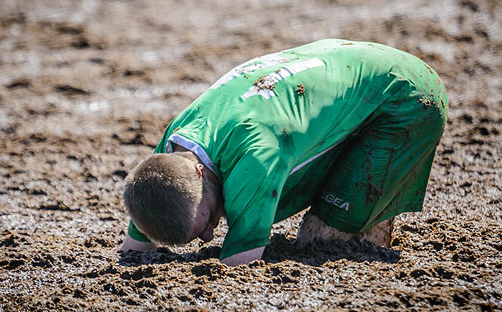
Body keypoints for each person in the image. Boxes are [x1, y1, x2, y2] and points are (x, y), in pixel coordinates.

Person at [119, 39, 448, 266]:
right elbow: (137, 241)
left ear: (198, 174)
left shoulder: (254, 157)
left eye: (205, 220)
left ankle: (370, 214)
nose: (208, 236)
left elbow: (240, 265)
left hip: (407, 96)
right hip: (352, 63)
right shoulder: (170, 153)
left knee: (324, 241)